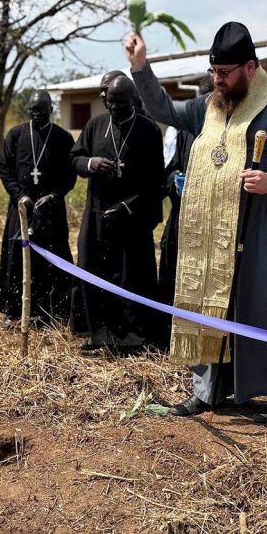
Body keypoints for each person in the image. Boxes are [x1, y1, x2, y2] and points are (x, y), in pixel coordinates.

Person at [126, 22, 267, 422]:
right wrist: (141, 68)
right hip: (214, 234)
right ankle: (209, 392)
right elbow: (164, 110)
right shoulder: (210, 106)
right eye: (214, 72)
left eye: (226, 73)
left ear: (251, 68)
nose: (217, 80)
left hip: (261, 233)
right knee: (212, 309)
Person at [70, 76, 165, 352]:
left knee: (131, 275)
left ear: (133, 100)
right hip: (98, 215)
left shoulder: (148, 130)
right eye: (110, 103)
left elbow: (155, 181)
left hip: (132, 218)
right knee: (94, 269)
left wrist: (128, 206)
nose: (114, 108)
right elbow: (74, 159)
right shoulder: (95, 125)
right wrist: (91, 162)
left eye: (120, 103)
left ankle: (133, 338)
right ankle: (101, 334)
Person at [0, 90, 76, 328]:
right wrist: (20, 195)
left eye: (41, 110)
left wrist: (54, 195)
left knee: (53, 258)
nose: (36, 114)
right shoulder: (16, 134)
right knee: (16, 258)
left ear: (51, 110)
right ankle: (13, 312)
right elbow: (5, 168)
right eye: (32, 110)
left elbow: (70, 175)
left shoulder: (63, 138)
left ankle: (52, 311)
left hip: (50, 210)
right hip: (21, 209)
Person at [157, 76, 214, 345]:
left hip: (213, 220)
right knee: (173, 267)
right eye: (199, 100)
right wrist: (176, 179)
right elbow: (169, 171)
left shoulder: (233, 132)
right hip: (182, 214)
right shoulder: (185, 131)